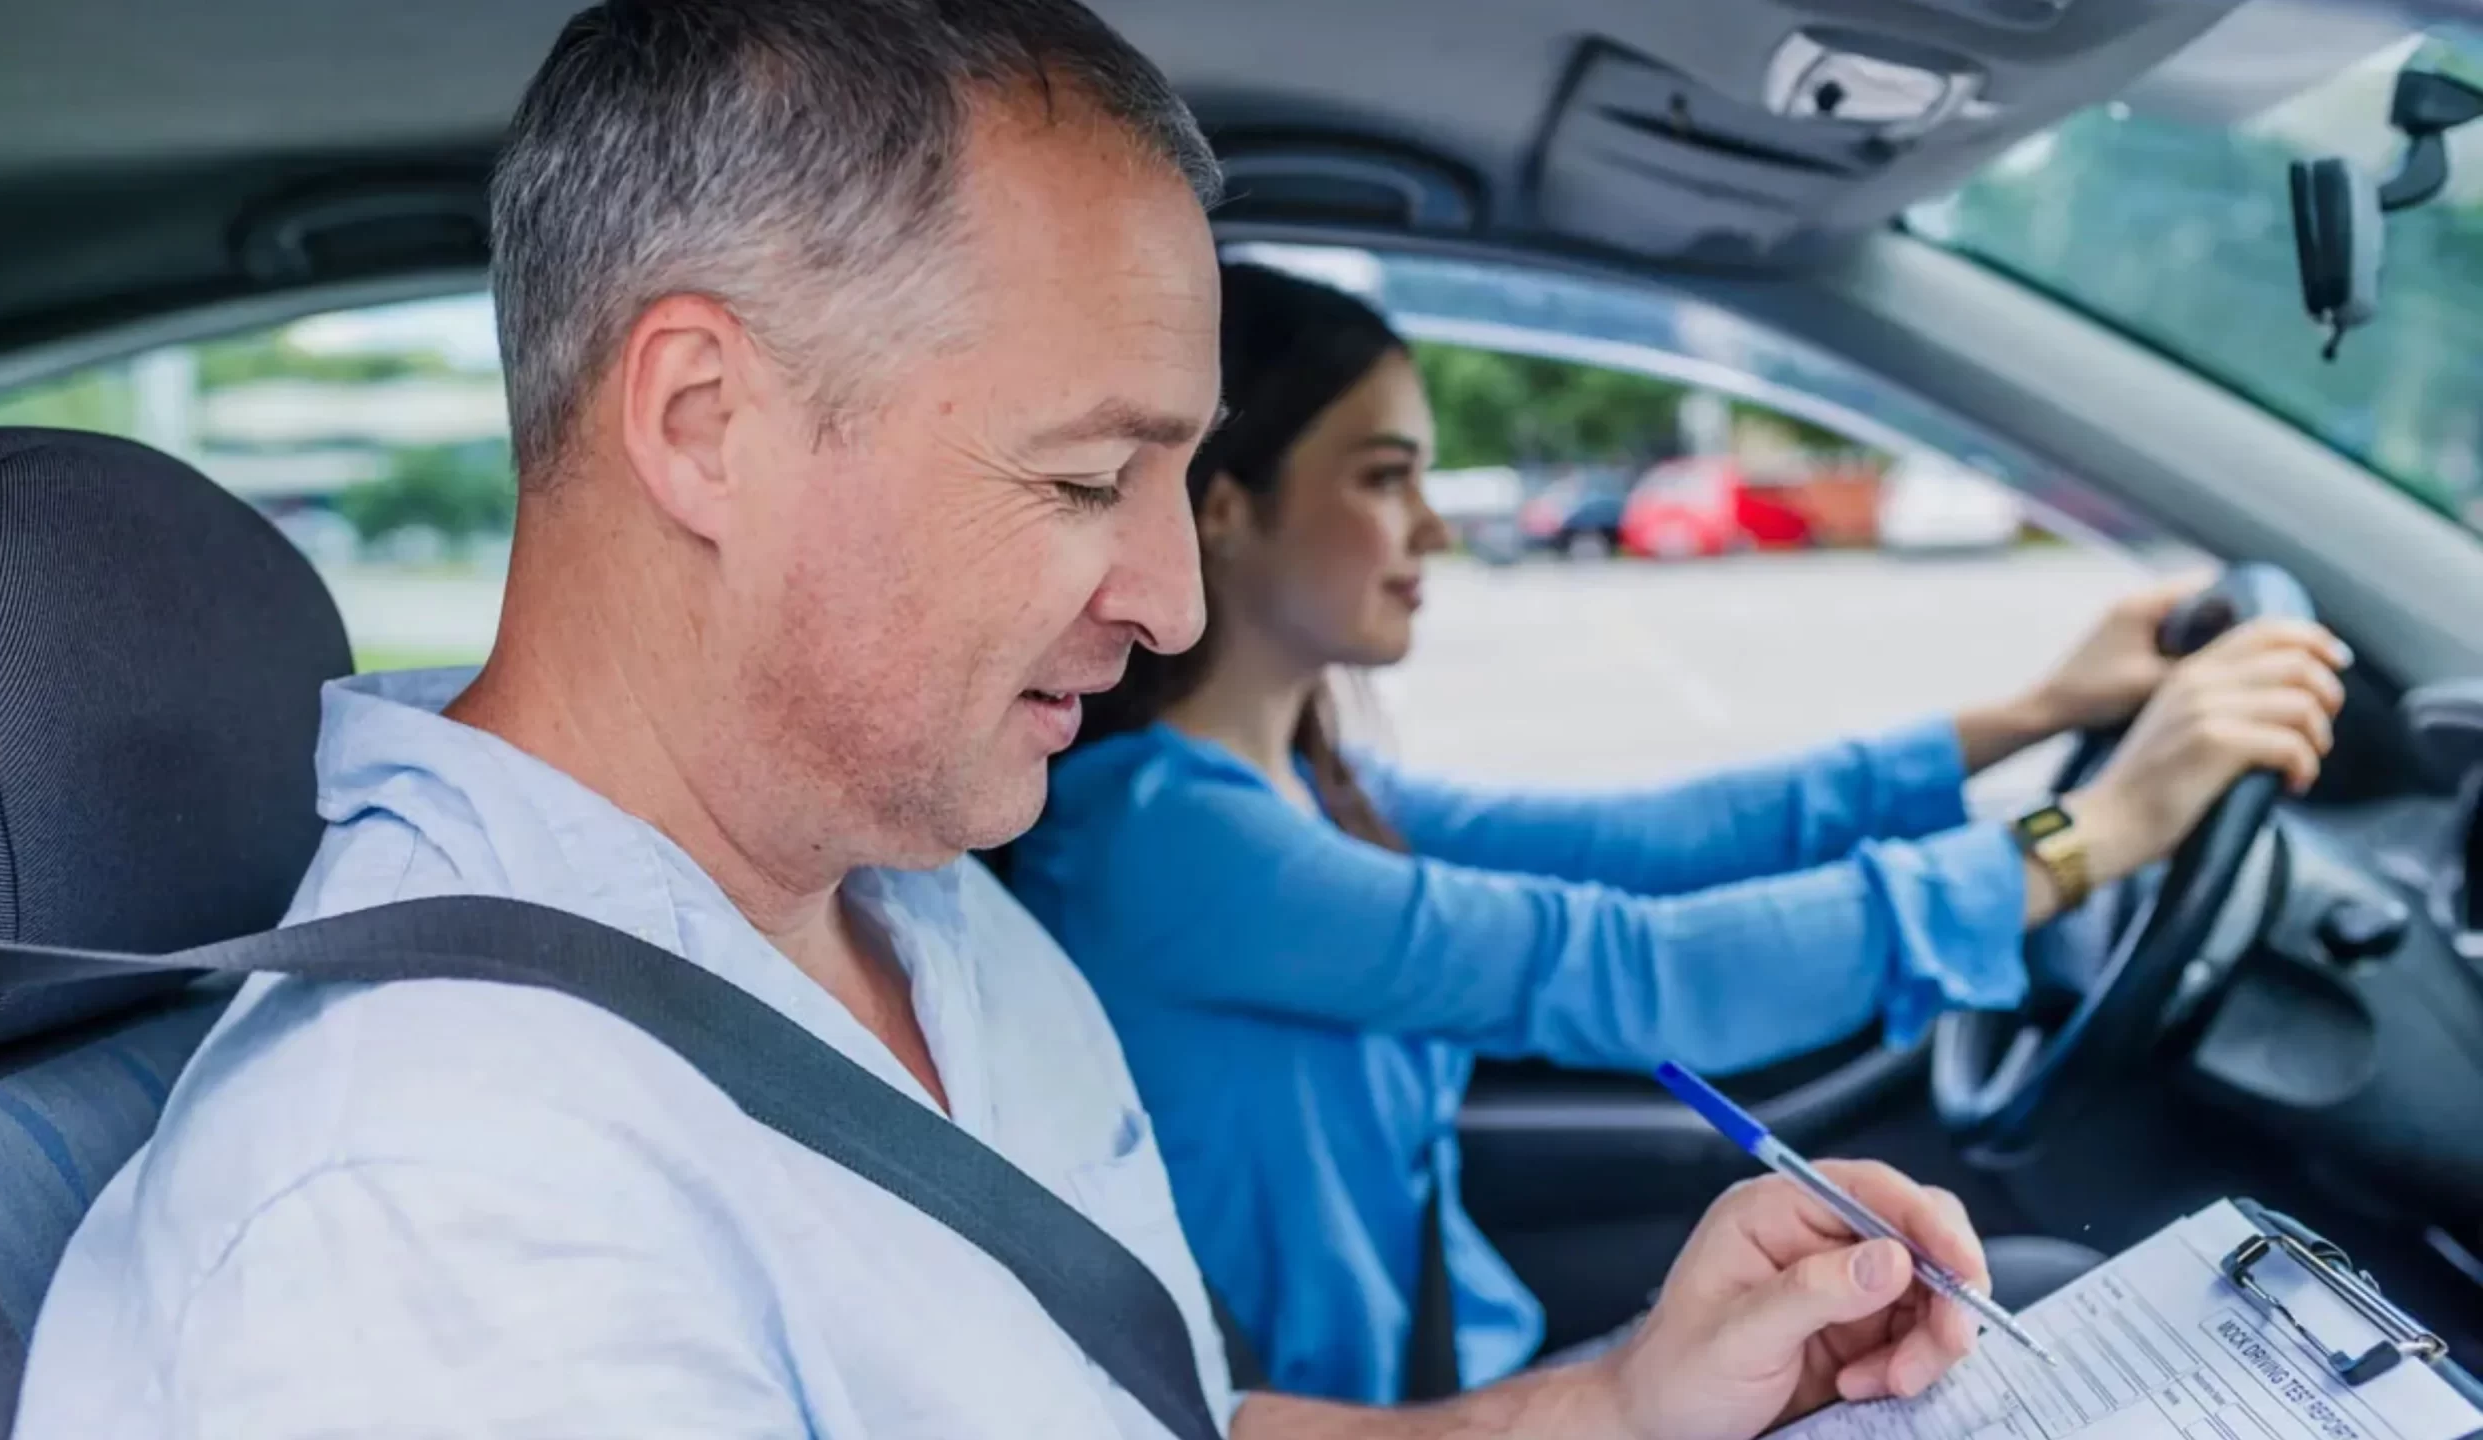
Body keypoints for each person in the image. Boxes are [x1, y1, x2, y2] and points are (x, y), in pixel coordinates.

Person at [16, 3, 2022, 1438]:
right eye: (1082, 485)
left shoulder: (912, 907)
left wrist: (1604, 1410)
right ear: (706, 427)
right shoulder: (435, 1211)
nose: (1163, 598)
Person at [1000, 263, 2351, 1405]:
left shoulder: (1301, 791)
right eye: (1383, 477)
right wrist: (2093, 834)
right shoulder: (1168, 845)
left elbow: (1652, 843)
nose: (1432, 526)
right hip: (1379, 1414)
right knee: (2043, 1315)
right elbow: (1636, 968)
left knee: (2021, 1312)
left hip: (1454, 1358)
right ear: (1226, 509)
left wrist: (2033, 715)